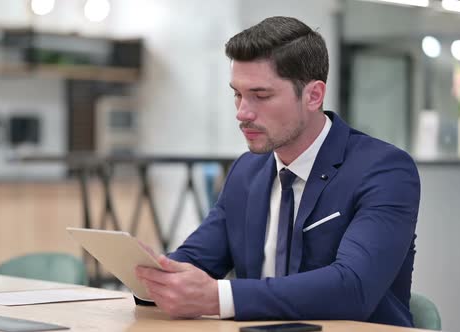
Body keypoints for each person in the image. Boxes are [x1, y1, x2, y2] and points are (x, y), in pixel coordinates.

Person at [135, 16, 420, 327]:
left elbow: (353, 288)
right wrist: (153, 275)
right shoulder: (247, 171)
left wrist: (220, 297)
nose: (242, 112)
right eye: (238, 94)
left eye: (261, 95)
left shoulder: (384, 171)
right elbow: (197, 258)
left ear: (313, 96)